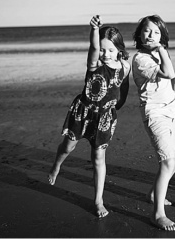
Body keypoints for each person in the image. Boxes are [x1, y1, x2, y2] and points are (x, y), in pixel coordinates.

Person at [48, 15, 130, 218]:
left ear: (119, 50)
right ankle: (57, 165)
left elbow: (123, 88)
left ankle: (98, 201)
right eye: (102, 49)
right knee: (68, 147)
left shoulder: (125, 67)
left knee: (98, 158)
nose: (105, 54)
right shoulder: (94, 64)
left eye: (110, 50)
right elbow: (93, 48)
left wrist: (117, 105)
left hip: (104, 118)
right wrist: (94, 30)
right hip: (83, 113)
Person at [132, 15, 175, 231]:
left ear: (162, 35)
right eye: (147, 31)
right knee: (168, 161)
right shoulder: (140, 59)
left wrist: (161, 50)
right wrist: (162, 48)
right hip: (155, 112)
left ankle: (154, 194)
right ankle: (158, 214)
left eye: (156, 31)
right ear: (139, 34)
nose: (151, 35)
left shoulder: (160, 53)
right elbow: (170, 73)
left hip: (174, 109)